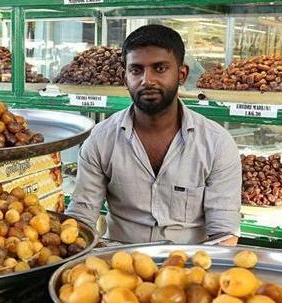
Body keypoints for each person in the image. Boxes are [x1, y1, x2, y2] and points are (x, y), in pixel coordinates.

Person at [66, 24, 241, 245]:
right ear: (124, 76)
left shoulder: (216, 143)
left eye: (159, 68)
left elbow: (224, 234)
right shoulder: (101, 139)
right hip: (117, 265)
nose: (147, 80)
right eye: (136, 70)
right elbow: (81, 218)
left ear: (182, 74)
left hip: (189, 268)